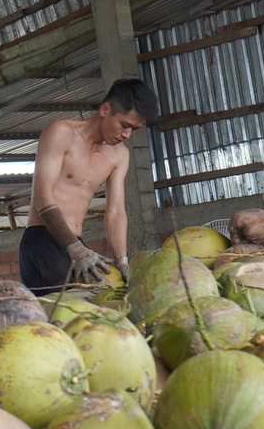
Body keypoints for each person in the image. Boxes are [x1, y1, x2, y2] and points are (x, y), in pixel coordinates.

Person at [20, 78, 160, 292]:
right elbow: (41, 195)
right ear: (105, 109)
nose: (127, 135)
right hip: (43, 238)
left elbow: (115, 212)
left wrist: (122, 261)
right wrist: (74, 248)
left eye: (134, 130)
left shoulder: (120, 155)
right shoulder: (61, 132)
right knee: (63, 313)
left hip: (76, 243)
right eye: (124, 125)